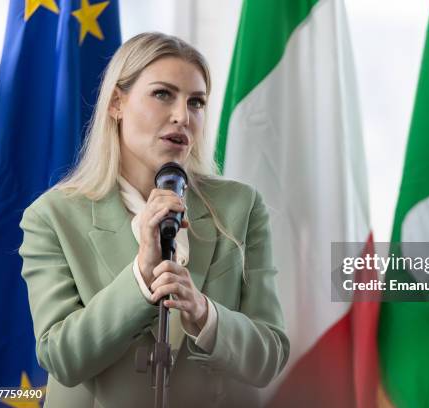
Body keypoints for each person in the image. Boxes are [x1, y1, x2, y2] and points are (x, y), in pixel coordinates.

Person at [19, 32, 289, 408]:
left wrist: (204, 314)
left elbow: (270, 356)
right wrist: (140, 279)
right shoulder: (52, 217)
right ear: (117, 102)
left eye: (196, 102)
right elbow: (61, 358)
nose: (183, 115)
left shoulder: (241, 206)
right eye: (163, 94)